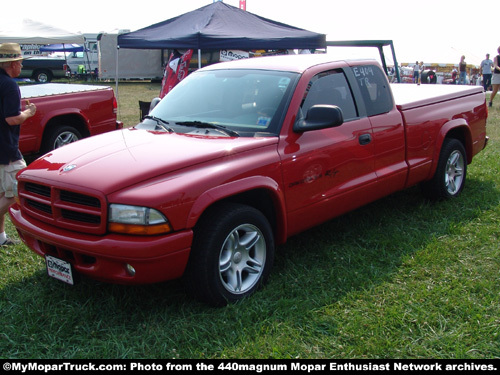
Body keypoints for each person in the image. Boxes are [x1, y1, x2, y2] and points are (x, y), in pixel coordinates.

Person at [0, 43, 36, 247]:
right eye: (20, 62)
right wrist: (29, 113)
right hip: (6, 148)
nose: (21, 66)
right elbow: (12, 119)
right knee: (18, 188)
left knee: (1, 193)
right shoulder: (10, 85)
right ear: (12, 64)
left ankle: (1, 238)